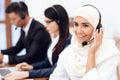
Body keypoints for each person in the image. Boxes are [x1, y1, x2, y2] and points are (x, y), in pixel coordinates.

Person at [49, 5, 120, 80]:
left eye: (85, 25)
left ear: (97, 29)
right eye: (76, 24)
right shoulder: (68, 52)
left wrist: (91, 54)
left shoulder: (109, 53)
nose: (79, 31)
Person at [4, 4, 72, 80]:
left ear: (59, 22)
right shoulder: (54, 39)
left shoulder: (68, 42)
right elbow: (47, 61)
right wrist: (31, 67)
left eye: (48, 22)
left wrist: (28, 73)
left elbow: (56, 69)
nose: (45, 25)